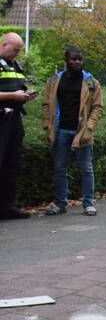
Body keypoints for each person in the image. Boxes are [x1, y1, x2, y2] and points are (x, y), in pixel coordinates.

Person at [42, 47, 104, 216]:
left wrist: (90, 125)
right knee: (59, 168)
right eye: (73, 59)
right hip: (60, 130)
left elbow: (97, 107)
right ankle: (61, 204)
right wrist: (47, 125)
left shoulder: (91, 82)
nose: (77, 62)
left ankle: (88, 203)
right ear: (66, 60)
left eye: (80, 59)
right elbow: (46, 104)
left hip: (82, 131)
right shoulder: (54, 81)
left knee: (86, 168)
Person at [0, 32, 37, 219]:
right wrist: (12, 96)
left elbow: (16, 88)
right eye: (15, 50)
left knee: (12, 164)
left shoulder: (15, 65)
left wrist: (25, 96)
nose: (17, 54)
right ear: (4, 45)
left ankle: (7, 206)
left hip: (14, 120)